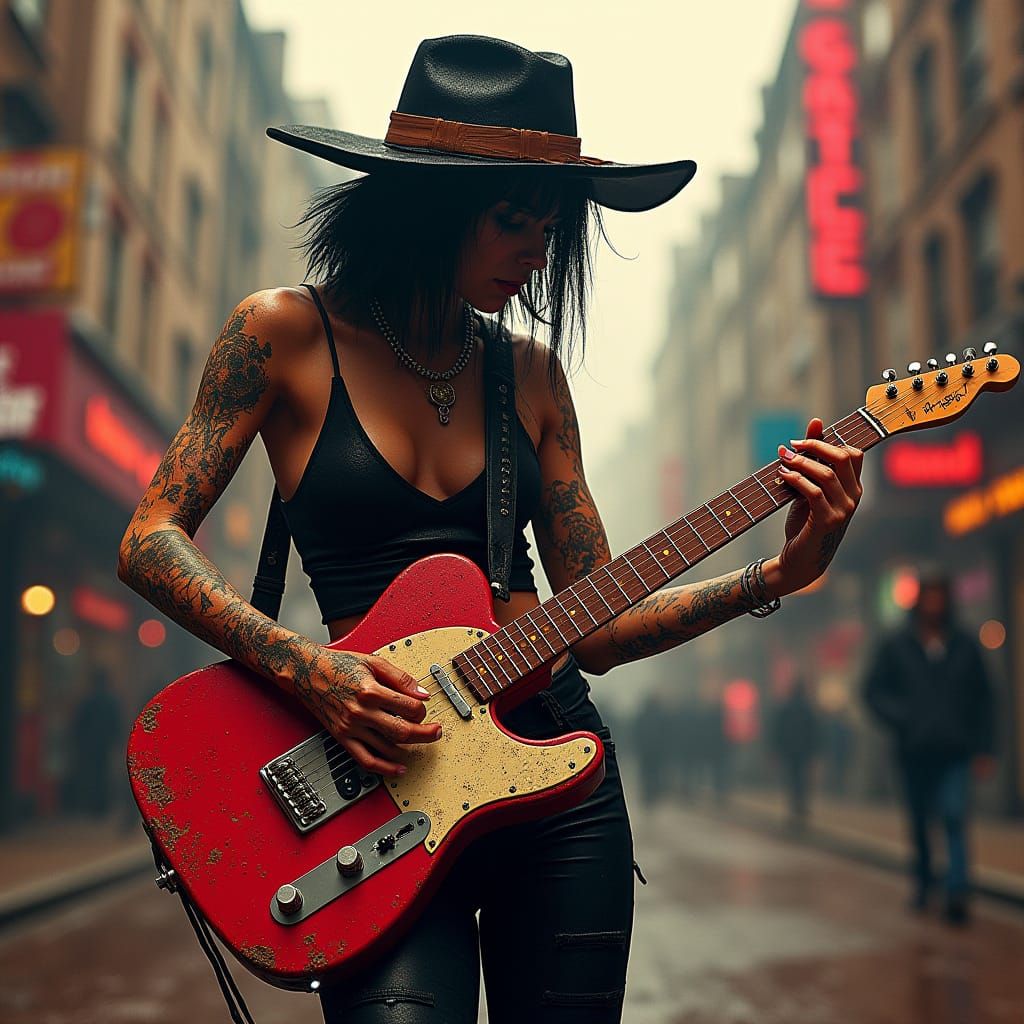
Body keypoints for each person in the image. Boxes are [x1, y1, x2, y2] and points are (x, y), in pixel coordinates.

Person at [117, 35, 863, 1024]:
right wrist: (311, 668)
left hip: (553, 774)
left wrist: (774, 574)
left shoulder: (531, 377)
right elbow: (150, 537)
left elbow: (591, 624)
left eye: (552, 227)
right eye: (517, 221)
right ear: (430, 211)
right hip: (376, 776)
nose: (540, 254)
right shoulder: (281, 334)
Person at [863, 567, 995, 925]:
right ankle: (924, 884)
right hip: (914, 749)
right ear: (919, 601)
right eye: (929, 597)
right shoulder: (897, 644)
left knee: (954, 816)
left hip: (955, 749)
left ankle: (956, 892)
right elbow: (872, 691)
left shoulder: (965, 644)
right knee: (921, 822)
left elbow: (985, 699)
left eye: (941, 597)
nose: (935, 604)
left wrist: (984, 749)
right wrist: (902, 718)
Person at [770, 677, 820, 829]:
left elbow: (777, 731)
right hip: (803, 750)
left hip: (788, 750)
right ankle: (800, 805)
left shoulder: (785, 708)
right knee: (801, 778)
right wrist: (815, 751)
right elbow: (815, 732)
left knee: (792, 778)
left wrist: (775, 749)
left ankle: (795, 806)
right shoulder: (807, 709)